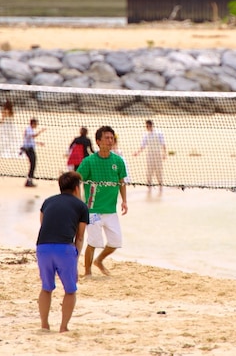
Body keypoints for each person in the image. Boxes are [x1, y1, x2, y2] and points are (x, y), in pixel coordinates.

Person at [37, 171, 89, 333]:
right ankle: (63, 327)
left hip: (42, 247)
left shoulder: (47, 202)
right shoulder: (81, 206)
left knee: (46, 287)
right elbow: (79, 238)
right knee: (70, 289)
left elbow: (43, 224)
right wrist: (76, 258)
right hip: (64, 249)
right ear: (76, 188)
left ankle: (44, 325)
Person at [78, 125, 127, 277]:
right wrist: (79, 201)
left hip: (110, 210)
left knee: (115, 242)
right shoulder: (89, 161)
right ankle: (87, 273)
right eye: (107, 138)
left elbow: (122, 182)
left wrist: (124, 201)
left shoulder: (118, 161)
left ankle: (99, 261)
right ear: (98, 141)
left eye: (112, 138)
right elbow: (77, 180)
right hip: (93, 209)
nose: (110, 140)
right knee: (93, 242)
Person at [132, 120, 167, 188]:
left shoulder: (159, 133)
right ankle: (149, 185)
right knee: (149, 170)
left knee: (159, 170)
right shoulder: (146, 135)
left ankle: (160, 185)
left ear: (151, 125)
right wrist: (137, 152)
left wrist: (164, 154)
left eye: (147, 126)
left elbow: (163, 144)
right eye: (146, 126)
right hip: (150, 155)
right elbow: (143, 145)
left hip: (158, 154)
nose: (147, 127)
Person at [22, 118, 45, 188]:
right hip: (28, 149)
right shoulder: (29, 129)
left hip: (29, 148)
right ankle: (29, 181)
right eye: (36, 124)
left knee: (33, 164)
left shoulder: (30, 130)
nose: (36, 125)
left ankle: (29, 180)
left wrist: (38, 143)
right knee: (33, 164)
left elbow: (30, 140)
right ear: (33, 124)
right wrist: (40, 131)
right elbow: (32, 136)